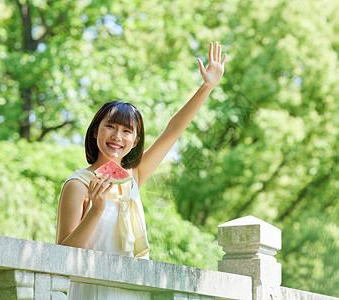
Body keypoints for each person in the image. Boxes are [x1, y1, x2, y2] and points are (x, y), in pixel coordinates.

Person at [55, 41, 227, 299]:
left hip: (132, 289)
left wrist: (207, 86)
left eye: (127, 131)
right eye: (110, 126)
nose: (117, 136)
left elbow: (172, 132)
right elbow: (61, 257)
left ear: (135, 141)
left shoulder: (133, 176)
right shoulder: (77, 185)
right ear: (95, 131)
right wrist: (97, 209)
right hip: (92, 291)